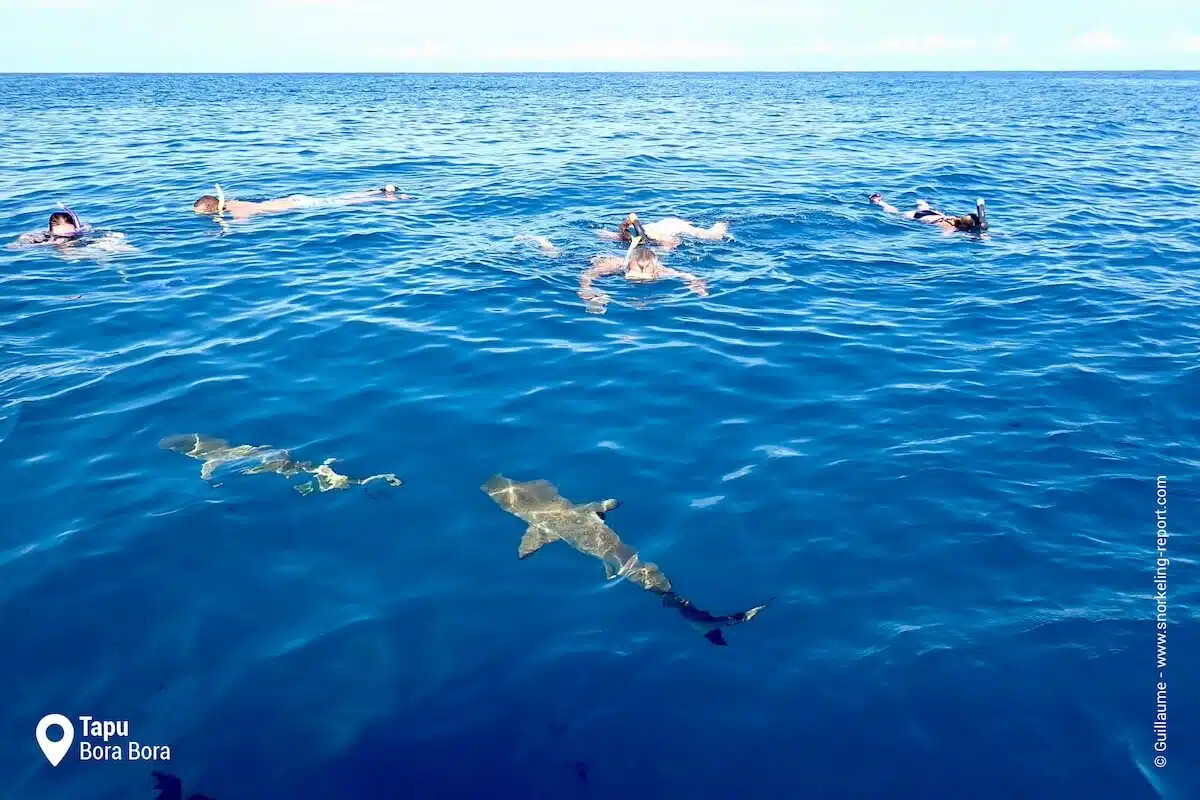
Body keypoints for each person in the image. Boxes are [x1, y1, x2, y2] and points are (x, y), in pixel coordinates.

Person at [578, 234, 707, 310]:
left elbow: (685, 275)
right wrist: (586, 287)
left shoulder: (660, 270)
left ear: (655, 274)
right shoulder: (614, 265)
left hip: (650, 261)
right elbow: (588, 274)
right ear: (627, 268)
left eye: (646, 278)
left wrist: (696, 284)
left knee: (668, 247)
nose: (639, 281)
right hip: (608, 259)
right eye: (633, 276)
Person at [192, 183, 410, 220]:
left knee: (345, 203)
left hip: (300, 205)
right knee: (340, 198)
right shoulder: (236, 202)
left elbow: (243, 224)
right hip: (294, 199)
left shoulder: (240, 212)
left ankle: (392, 197)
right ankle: (380, 190)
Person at [9, 203, 133, 252]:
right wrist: (47, 244)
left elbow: (11, 247)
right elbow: (13, 247)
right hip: (69, 247)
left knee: (111, 243)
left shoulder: (81, 229)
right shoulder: (37, 236)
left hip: (77, 244)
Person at [597, 212, 729, 250]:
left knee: (713, 236)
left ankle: (723, 222)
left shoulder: (658, 237)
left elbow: (673, 243)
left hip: (675, 226)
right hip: (665, 223)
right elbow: (603, 234)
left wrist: (663, 248)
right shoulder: (625, 234)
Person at [869, 193, 988, 233]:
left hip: (933, 214)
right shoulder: (949, 227)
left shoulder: (957, 219)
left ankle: (920, 201)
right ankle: (880, 202)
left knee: (923, 206)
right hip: (915, 216)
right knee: (894, 213)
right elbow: (944, 237)